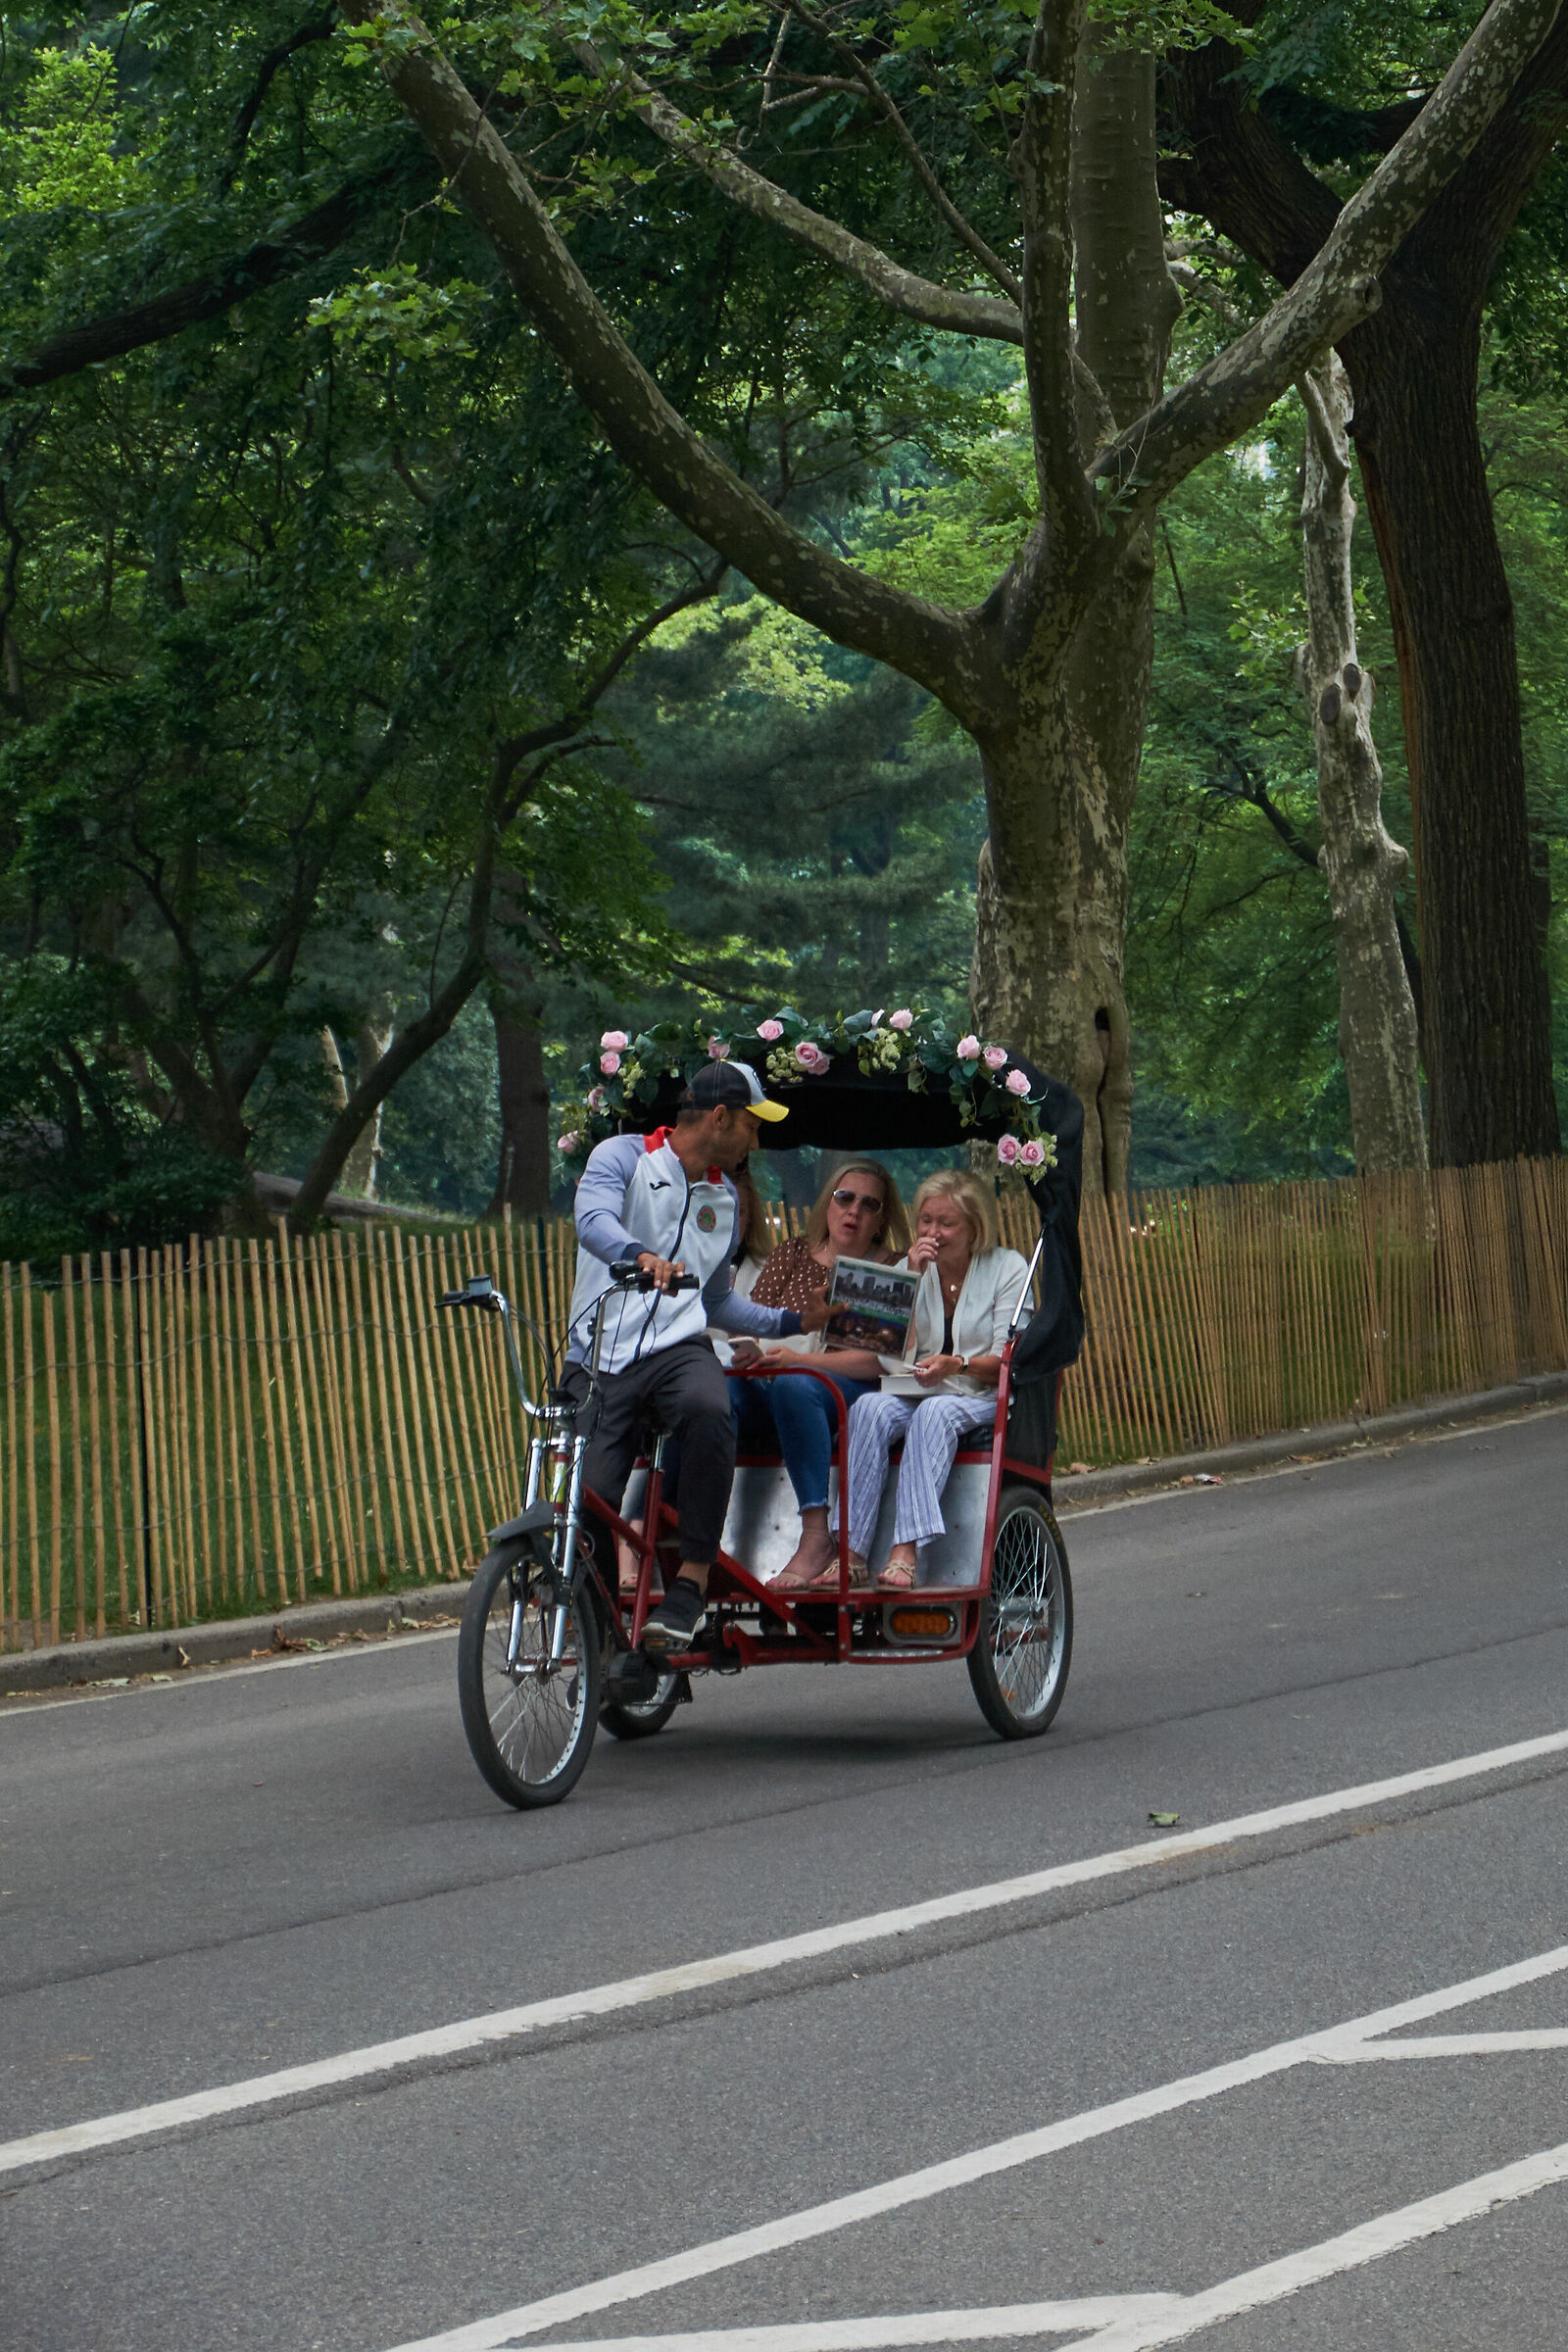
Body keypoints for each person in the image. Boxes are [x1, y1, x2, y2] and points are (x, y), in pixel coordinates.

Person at [563, 1059, 828, 1656]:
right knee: (590, 1502)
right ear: (719, 1117)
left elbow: (716, 1302)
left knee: (712, 1408)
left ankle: (692, 1582)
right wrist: (639, 1254)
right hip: (598, 1355)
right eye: (752, 1126)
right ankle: (606, 1638)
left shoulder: (727, 1200)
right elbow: (593, 1221)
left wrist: (793, 1322)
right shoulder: (622, 1158)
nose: (756, 1140)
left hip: (676, 1352)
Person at [823, 1168, 1028, 1591]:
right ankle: (852, 1551)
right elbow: (889, 1355)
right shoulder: (907, 1266)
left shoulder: (1008, 1267)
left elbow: (1008, 1359)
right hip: (921, 1386)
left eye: (947, 1223)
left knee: (935, 1412)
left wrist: (957, 1364)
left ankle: (906, 1551)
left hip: (982, 1389)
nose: (933, 1232)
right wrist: (910, 1281)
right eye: (926, 1221)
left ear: (974, 1228)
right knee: (869, 1407)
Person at [727, 1159, 909, 1590]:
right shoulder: (791, 1254)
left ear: (881, 1218)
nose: (854, 1211)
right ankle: (703, 1525)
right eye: (844, 1198)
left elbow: (876, 1360)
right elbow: (749, 1321)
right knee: (720, 1393)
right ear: (828, 1202)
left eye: (869, 1204)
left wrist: (797, 1361)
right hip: (774, 1376)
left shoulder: (890, 1268)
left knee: (796, 1386)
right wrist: (751, 1351)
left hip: (846, 1390)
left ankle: (815, 1536)